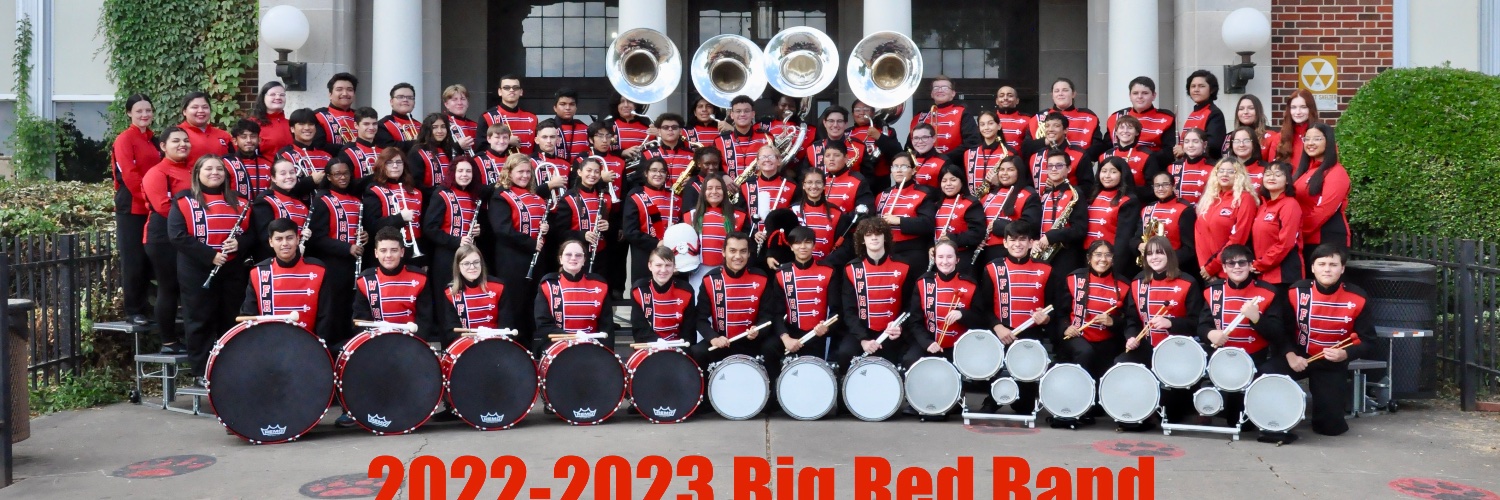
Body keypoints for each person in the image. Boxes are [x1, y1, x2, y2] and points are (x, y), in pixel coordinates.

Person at [1260, 244, 1375, 442]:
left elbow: (1368, 341)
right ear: (1312, 268)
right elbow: (1281, 330)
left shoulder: (1358, 297)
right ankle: (1275, 418)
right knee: (1263, 375)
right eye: (1321, 264)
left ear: (1342, 268)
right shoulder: (1295, 291)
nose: (1327, 269)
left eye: (1333, 264)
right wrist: (1290, 354)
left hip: (1331, 362)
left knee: (1330, 428)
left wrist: (1345, 354)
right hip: (1298, 356)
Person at [167, 154, 251, 383]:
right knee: (199, 320)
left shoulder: (240, 201)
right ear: (197, 173)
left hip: (231, 269)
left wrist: (240, 243)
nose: (215, 172)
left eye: (219, 169)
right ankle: (201, 371)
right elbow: (177, 236)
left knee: (230, 319)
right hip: (197, 269)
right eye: (208, 169)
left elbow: (253, 234)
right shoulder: (184, 200)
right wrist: (210, 256)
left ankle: (228, 368)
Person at [1116, 235, 1204, 427]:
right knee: (1121, 362)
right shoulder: (1138, 282)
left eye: (1159, 252)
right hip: (1148, 346)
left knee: (1171, 415)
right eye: (1149, 253)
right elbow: (1132, 318)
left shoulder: (1188, 282)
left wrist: (1171, 323)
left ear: (1169, 255)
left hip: (1177, 352)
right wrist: (1131, 337)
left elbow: (1197, 322)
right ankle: (1133, 412)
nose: (1154, 257)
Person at [1198, 244, 1287, 429]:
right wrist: (1209, 333)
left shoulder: (1269, 292)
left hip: (1253, 359)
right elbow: (1201, 326)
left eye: (1241, 263)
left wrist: (1257, 318)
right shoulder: (1212, 291)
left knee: (1240, 425)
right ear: (1223, 268)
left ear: (1250, 265)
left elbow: (1278, 334)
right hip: (1221, 357)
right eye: (1231, 263)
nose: (1237, 267)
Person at [976, 221, 1058, 415]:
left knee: (1024, 408)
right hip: (1000, 332)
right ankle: (993, 397)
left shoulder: (1046, 270)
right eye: (1012, 240)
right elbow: (983, 308)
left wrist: (1046, 319)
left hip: (1031, 334)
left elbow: (1056, 306)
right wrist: (997, 327)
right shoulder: (992, 269)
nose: (1017, 244)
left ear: (1031, 243)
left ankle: (1024, 396)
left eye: (1023, 240)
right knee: (988, 357)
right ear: (1004, 243)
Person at [694, 233, 788, 399]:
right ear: (723, 252)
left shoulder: (761, 278)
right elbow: (700, 318)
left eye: (743, 251)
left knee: (772, 347)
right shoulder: (710, 279)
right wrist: (713, 338)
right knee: (697, 352)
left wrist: (759, 330)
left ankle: (771, 397)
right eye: (732, 251)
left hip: (752, 342)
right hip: (722, 342)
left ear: (749, 254)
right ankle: (704, 400)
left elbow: (768, 316)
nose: (738, 256)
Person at [903, 239, 983, 421]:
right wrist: (927, 342)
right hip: (930, 340)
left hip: (957, 345)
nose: (945, 261)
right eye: (940, 257)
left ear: (957, 260)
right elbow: (914, 321)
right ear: (934, 258)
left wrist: (963, 314)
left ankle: (951, 401)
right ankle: (917, 402)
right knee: (911, 359)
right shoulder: (923, 283)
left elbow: (981, 320)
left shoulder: (970, 285)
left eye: (949, 257)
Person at [239, 217, 333, 343]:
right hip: (268, 344)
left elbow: (325, 317)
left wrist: (319, 345)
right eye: (279, 239)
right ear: (271, 242)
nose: (285, 244)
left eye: (289, 238)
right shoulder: (258, 272)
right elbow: (248, 315)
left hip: (308, 344)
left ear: (297, 239)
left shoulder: (318, 270)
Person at [487, 153, 549, 344]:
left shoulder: (536, 197)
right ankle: (514, 347)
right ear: (509, 172)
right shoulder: (501, 196)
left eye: (528, 172)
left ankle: (530, 347)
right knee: (515, 306)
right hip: (512, 260)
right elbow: (502, 229)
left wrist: (546, 228)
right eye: (520, 172)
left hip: (535, 260)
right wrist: (531, 244)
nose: (524, 176)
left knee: (531, 305)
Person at [141, 127, 193, 353]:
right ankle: (168, 342)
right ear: (163, 146)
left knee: (187, 287)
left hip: (187, 235)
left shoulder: (193, 169)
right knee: (169, 286)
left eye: (185, 140)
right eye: (176, 141)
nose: (182, 144)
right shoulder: (157, 172)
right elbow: (163, 207)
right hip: (162, 237)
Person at [306, 160, 367, 348]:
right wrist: (346, 248)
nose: (342, 177)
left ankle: (349, 348)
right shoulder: (322, 199)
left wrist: (366, 236)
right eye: (337, 174)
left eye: (346, 173)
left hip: (354, 264)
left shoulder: (357, 200)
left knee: (351, 307)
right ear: (329, 177)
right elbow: (316, 238)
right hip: (332, 264)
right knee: (334, 309)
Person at [777, 227, 857, 367]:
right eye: (797, 243)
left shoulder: (829, 271)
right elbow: (775, 312)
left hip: (820, 333)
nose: (802, 247)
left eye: (807, 242)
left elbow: (836, 310)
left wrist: (827, 328)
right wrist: (785, 337)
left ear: (814, 245)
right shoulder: (781, 273)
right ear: (791, 247)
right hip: (791, 334)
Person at [841, 218, 916, 367]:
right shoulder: (851, 269)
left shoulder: (904, 266)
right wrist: (863, 339)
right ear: (862, 240)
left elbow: (911, 306)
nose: (874, 238)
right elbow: (848, 310)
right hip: (862, 332)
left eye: (878, 234)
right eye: (869, 235)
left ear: (885, 238)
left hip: (892, 332)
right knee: (845, 353)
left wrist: (899, 327)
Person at [112, 94, 161, 325]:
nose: (144, 115)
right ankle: (133, 310)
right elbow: (129, 175)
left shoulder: (152, 139)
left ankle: (148, 307)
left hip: (152, 205)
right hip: (132, 204)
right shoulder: (124, 139)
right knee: (133, 259)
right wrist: (149, 198)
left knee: (151, 258)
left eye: (148, 110)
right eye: (139, 111)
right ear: (129, 113)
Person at [1054, 241, 1129, 382]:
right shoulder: (1073, 279)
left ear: (1113, 260)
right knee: (1085, 353)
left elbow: (1130, 321)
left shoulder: (1124, 285)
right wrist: (1065, 328)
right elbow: (1060, 312)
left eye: (1108, 255)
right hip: (1077, 337)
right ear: (1089, 258)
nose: (1103, 259)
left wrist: (1113, 321)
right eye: (1098, 255)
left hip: (1107, 341)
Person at [424, 155, 486, 315]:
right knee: (446, 297)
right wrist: (456, 241)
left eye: (468, 171)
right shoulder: (442, 194)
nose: (464, 175)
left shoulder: (475, 196)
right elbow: (430, 228)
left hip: (468, 256)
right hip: (446, 256)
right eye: (460, 171)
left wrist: (478, 232)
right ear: (453, 173)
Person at [535, 239, 615, 349]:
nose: (573, 258)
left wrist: (607, 355)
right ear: (560, 259)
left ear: (584, 260)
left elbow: (607, 327)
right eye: (568, 254)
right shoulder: (547, 285)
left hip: (591, 346)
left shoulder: (600, 285)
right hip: (557, 346)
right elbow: (543, 324)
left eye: (578, 255)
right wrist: (572, 338)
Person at [354, 227, 436, 335]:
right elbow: (361, 322)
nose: (388, 255)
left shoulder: (420, 278)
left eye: (394, 250)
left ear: (402, 252)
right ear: (376, 253)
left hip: (411, 342)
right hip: (377, 341)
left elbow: (424, 321)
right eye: (383, 250)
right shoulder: (365, 280)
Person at [1292, 123, 1351, 269]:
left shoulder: (1336, 172)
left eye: (1317, 139)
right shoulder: (1304, 172)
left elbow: (1324, 210)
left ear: (1328, 142)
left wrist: (1297, 232)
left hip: (1326, 239)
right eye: (1307, 139)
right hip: (1305, 239)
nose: (1310, 143)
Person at [552, 157, 614, 284]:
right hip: (576, 255)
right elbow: (559, 232)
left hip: (601, 254)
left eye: (597, 172)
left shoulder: (606, 197)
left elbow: (615, 231)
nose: (593, 175)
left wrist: (609, 226)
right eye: (589, 170)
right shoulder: (569, 198)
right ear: (580, 172)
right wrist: (582, 235)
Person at [1195, 158, 1259, 279]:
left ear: (1239, 176)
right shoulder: (1210, 199)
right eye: (1221, 170)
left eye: (1230, 171)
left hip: (1232, 269)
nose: (1225, 174)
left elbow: (1239, 237)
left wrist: (1214, 266)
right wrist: (1205, 266)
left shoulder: (1245, 199)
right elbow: (1199, 235)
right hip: (1208, 272)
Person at [438, 244, 512, 347]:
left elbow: (506, 324)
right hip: (466, 346)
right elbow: (451, 329)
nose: (472, 267)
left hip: (495, 343)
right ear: (458, 267)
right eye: (466, 263)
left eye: (476, 262)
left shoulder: (498, 286)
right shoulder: (450, 292)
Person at [630, 247, 700, 355]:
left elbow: (689, 331)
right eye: (658, 265)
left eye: (668, 265)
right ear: (650, 266)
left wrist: (677, 349)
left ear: (674, 267)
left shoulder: (686, 291)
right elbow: (640, 329)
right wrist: (658, 342)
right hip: (649, 348)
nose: (663, 270)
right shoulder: (639, 290)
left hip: (678, 348)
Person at [1033, 149, 1089, 281]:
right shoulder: (1044, 195)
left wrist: (1051, 236)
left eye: (1059, 165)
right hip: (1043, 252)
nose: (1054, 169)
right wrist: (1034, 241)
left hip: (1066, 254)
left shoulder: (1076, 194)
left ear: (1069, 168)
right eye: (1050, 166)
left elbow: (1080, 229)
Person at [362, 148, 426, 264]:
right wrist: (400, 218)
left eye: (399, 162)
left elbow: (420, 227)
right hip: (387, 253)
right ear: (382, 165)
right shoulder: (374, 190)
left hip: (412, 251)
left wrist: (422, 260)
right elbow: (372, 225)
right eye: (389, 163)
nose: (395, 166)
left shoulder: (416, 192)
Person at [976, 156, 1042, 266]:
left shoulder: (1029, 194)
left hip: (1008, 251)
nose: (1004, 173)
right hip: (983, 251)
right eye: (1002, 169)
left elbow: (1030, 226)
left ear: (1019, 172)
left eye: (1010, 170)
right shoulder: (989, 194)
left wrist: (999, 226)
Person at [877, 153, 939, 269]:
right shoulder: (882, 195)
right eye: (895, 167)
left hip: (912, 251)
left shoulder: (924, 193)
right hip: (886, 250)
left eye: (904, 167)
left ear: (914, 170)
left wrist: (899, 221)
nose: (899, 170)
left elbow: (928, 224)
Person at [1130, 171, 1197, 279]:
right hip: (1149, 268)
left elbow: (1189, 249)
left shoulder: (1184, 210)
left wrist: (1166, 261)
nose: (1160, 188)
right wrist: (1140, 245)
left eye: (1165, 184)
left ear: (1173, 186)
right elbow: (1135, 239)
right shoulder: (1147, 209)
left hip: (1175, 269)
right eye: (1157, 185)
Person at [687, 176, 750, 289]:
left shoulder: (739, 215)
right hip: (698, 271)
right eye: (709, 188)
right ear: (703, 192)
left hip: (727, 269)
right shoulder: (691, 215)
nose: (714, 191)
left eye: (718, 188)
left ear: (724, 191)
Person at [623, 157, 681, 281]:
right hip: (644, 256)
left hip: (671, 255)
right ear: (646, 173)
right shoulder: (635, 196)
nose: (658, 174)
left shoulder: (675, 197)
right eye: (654, 170)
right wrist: (656, 243)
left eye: (662, 171)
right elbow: (630, 231)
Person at [1085, 157, 1141, 272]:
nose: (1107, 176)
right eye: (1104, 171)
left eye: (1113, 172)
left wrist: (1115, 266)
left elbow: (1123, 239)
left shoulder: (1129, 201)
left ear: (1122, 174)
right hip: (1088, 256)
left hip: (1110, 260)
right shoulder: (1094, 195)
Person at [1252, 162, 1304, 286]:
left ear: (1287, 180)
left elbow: (1286, 243)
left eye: (1278, 175)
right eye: (1268, 174)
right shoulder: (1263, 206)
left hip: (1284, 274)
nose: (1272, 178)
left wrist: (1262, 264)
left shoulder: (1290, 205)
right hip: (1263, 272)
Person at [788, 169, 854, 266]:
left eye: (818, 182)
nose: (814, 186)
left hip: (828, 268)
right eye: (809, 182)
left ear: (824, 186)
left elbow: (844, 246)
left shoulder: (837, 213)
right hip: (797, 269)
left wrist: (828, 263)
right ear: (803, 185)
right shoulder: (792, 211)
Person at [251, 159, 310, 262]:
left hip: (299, 260)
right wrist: (291, 255)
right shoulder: (265, 200)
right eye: (283, 174)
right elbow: (265, 237)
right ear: (273, 178)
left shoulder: (301, 204)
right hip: (273, 262)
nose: (289, 176)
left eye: (292, 172)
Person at [1033, 78, 1106, 159]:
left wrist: (1080, 158)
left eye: (1065, 90)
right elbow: (1027, 148)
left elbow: (1098, 146)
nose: (1060, 94)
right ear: (1052, 95)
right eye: (1056, 91)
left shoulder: (1089, 116)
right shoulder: (1038, 117)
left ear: (1073, 94)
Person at [933, 165, 986, 276]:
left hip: (962, 257)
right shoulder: (937, 204)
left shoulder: (971, 203)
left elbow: (977, 233)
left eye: (953, 180)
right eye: (944, 181)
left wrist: (951, 238)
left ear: (961, 181)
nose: (948, 184)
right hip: (939, 258)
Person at [906, 75, 979, 156]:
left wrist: (944, 159)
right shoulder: (920, 117)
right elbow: (909, 148)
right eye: (936, 88)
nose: (940, 90)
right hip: (923, 165)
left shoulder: (963, 113)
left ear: (953, 93)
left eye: (945, 88)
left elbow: (972, 143)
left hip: (953, 165)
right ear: (932, 94)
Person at [1021, 113, 1094, 193]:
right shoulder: (1035, 156)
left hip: (1070, 203)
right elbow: (1028, 186)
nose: (1050, 129)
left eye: (1056, 126)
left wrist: (1061, 186)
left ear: (1065, 130)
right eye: (1047, 126)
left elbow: (1088, 187)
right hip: (1038, 204)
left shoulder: (1080, 155)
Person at [1106, 76, 1177, 154]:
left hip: (1154, 164)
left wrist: (1144, 159)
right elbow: (1106, 148)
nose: (1140, 97)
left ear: (1154, 95)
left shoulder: (1167, 118)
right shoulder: (1116, 117)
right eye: (1135, 93)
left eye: (1145, 93)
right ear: (1130, 96)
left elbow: (1169, 152)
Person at [1098, 115, 1158, 200]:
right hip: (1108, 202)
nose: (1125, 131)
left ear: (1137, 132)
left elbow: (1152, 188)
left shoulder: (1147, 156)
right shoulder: (1104, 156)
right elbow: (1098, 184)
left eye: (1130, 128)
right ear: (1116, 132)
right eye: (1121, 128)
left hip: (1137, 202)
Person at [714, 95, 775, 179]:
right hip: (730, 189)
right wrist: (723, 176)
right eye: (738, 111)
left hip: (760, 188)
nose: (742, 114)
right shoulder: (719, 140)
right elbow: (713, 168)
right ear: (732, 115)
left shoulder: (767, 137)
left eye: (746, 111)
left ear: (753, 114)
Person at [962, 111, 1020, 198]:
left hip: (1000, 200)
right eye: (982, 124)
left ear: (999, 126)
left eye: (990, 123)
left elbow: (1018, 183)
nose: (986, 128)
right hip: (974, 203)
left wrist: (998, 183)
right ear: (978, 128)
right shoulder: (968, 154)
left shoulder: (1010, 153)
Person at [849, 99, 903, 192]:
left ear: (873, 113)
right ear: (853, 114)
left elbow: (898, 153)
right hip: (854, 179)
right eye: (857, 110)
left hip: (881, 180)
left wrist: (880, 137)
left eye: (866, 109)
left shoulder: (887, 130)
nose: (862, 113)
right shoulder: (847, 133)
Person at [801, 105, 868, 176]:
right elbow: (803, 178)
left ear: (845, 124)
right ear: (824, 123)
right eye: (831, 121)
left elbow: (869, 178)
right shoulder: (812, 149)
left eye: (839, 121)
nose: (835, 125)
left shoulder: (859, 147)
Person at [1175, 70, 1225, 162]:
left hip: (1206, 166)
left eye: (1201, 86)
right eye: (1193, 86)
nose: (1196, 90)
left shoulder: (1214, 113)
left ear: (1212, 90)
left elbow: (1214, 146)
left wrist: (1184, 151)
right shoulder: (1193, 113)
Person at [482, 74, 538, 155]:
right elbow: (481, 148)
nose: (511, 90)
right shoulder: (487, 116)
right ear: (500, 92)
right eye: (506, 87)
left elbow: (538, 149)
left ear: (521, 92)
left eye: (515, 87)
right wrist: (506, 142)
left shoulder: (532, 117)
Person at [279, 108, 334, 187]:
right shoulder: (285, 155)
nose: (307, 128)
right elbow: (282, 188)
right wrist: (311, 181)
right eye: (301, 124)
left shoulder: (327, 156)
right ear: (292, 129)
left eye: (311, 124)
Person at [177, 92, 232, 166]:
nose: (201, 111)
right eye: (195, 107)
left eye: (205, 107)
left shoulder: (223, 135)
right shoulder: (176, 134)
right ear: (184, 111)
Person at [739, 145, 796, 216]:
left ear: (778, 161)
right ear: (758, 162)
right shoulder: (746, 186)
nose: (767, 160)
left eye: (771, 157)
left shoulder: (791, 185)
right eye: (763, 157)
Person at [224, 120, 274, 200]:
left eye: (253, 136)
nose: (249, 140)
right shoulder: (225, 163)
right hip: (236, 210)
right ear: (235, 141)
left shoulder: (269, 164)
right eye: (243, 137)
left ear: (259, 140)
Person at [639, 112, 696, 182]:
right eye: (665, 127)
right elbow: (639, 180)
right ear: (659, 132)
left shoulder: (691, 154)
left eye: (674, 127)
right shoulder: (648, 154)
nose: (670, 130)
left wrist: (692, 180)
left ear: (680, 131)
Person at [408, 113, 455, 195]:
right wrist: (438, 194)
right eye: (435, 127)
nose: (440, 131)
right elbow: (415, 183)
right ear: (428, 130)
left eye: (443, 127)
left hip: (448, 199)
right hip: (427, 202)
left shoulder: (449, 150)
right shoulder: (417, 151)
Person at [336, 107, 383, 188]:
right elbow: (347, 184)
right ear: (356, 125)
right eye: (366, 124)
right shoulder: (347, 152)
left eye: (374, 124)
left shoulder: (384, 149)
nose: (371, 128)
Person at [1224, 94, 1279, 162]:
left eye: (1251, 108)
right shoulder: (1229, 137)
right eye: (1241, 109)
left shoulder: (1273, 135)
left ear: (1258, 111)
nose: (1245, 112)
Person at [311, 72, 359, 149]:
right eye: (339, 89)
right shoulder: (318, 116)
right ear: (330, 95)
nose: (345, 93)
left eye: (349, 90)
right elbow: (319, 146)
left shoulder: (360, 116)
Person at [821, 146, 873, 215]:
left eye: (836, 155)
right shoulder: (820, 180)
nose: (831, 159)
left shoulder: (858, 180)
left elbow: (865, 209)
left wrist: (841, 220)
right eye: (827, 156)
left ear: (846, 158)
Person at [1276, 89, 1322, 164]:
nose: (1298, 112)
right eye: (1293, 107)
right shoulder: (1279, 138)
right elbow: (1272, 169)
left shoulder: (1323, 137)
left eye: (1303, 107)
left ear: (1311, 109)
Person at [1167, 128, 1213, 204]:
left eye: (1195, 142)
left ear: (1204, 144)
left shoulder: (1214, 168)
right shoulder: (1172, 168)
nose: (1190, 145)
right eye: (1187, 142)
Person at [375, 83, 421, 151]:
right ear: (391, 102)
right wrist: (416, 143)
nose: (405, 100)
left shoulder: (421, 125)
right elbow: (389, 147)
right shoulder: (382, 125)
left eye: (410, 98)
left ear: (414, 103)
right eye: (400, 97)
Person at [251, 82, 293, 156]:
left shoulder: (292, 124)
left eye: (282, 95)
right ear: (263, 98)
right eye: (273, 94)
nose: (278, 97)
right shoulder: (252, 124)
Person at [441, 84, 482, 156]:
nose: (459, 103)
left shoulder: (475, 126)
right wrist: (457, 146)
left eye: (463, 99)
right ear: (446, 104)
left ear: (468, 103)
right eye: (454, 99)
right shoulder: (441, 123)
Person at [551, 88, 590, 162]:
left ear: (576, 108)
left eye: (572, 104)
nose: (568, 108)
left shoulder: (585, 129)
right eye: (563, 104)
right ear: (555, 108)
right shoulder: (546, 128)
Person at [992, 85, 1033, 150]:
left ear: (1017, 101)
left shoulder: (1028, 120)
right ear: (997, 101)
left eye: (1010, 95)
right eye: (1001, 96)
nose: (1005, 98)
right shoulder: (990, 119)